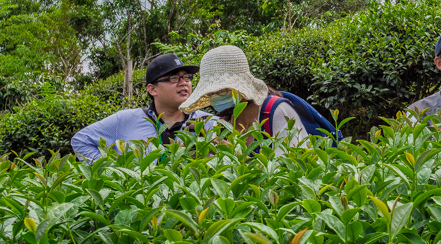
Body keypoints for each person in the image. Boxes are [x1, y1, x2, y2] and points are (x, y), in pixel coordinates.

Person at [72, 53, 212, 162]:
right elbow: (81, 140)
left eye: (187, 77)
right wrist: (112, 172)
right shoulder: (125, 120)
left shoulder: (207, 122)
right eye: (174, 78)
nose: (184, 83)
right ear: (152, 89)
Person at [179, 45, 307, 153]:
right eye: (210, 92)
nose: (215, 94)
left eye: (221, 89)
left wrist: (234, 155)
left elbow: (291, 173)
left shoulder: (277, 111)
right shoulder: (223, 123)